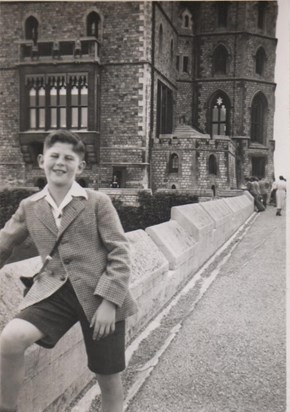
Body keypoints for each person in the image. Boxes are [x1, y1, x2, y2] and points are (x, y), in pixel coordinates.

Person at [0, 130, 138, 412]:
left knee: (108, 378)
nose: (60, 163)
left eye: (68, 158)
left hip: (99, 295)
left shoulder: (98, 202)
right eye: (54, 156)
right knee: (10, 339)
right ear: (41, 160)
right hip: (53, 291)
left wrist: (110, 302)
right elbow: (4, 242)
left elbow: (120, 252)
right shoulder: (30, 206)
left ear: (80, 166)